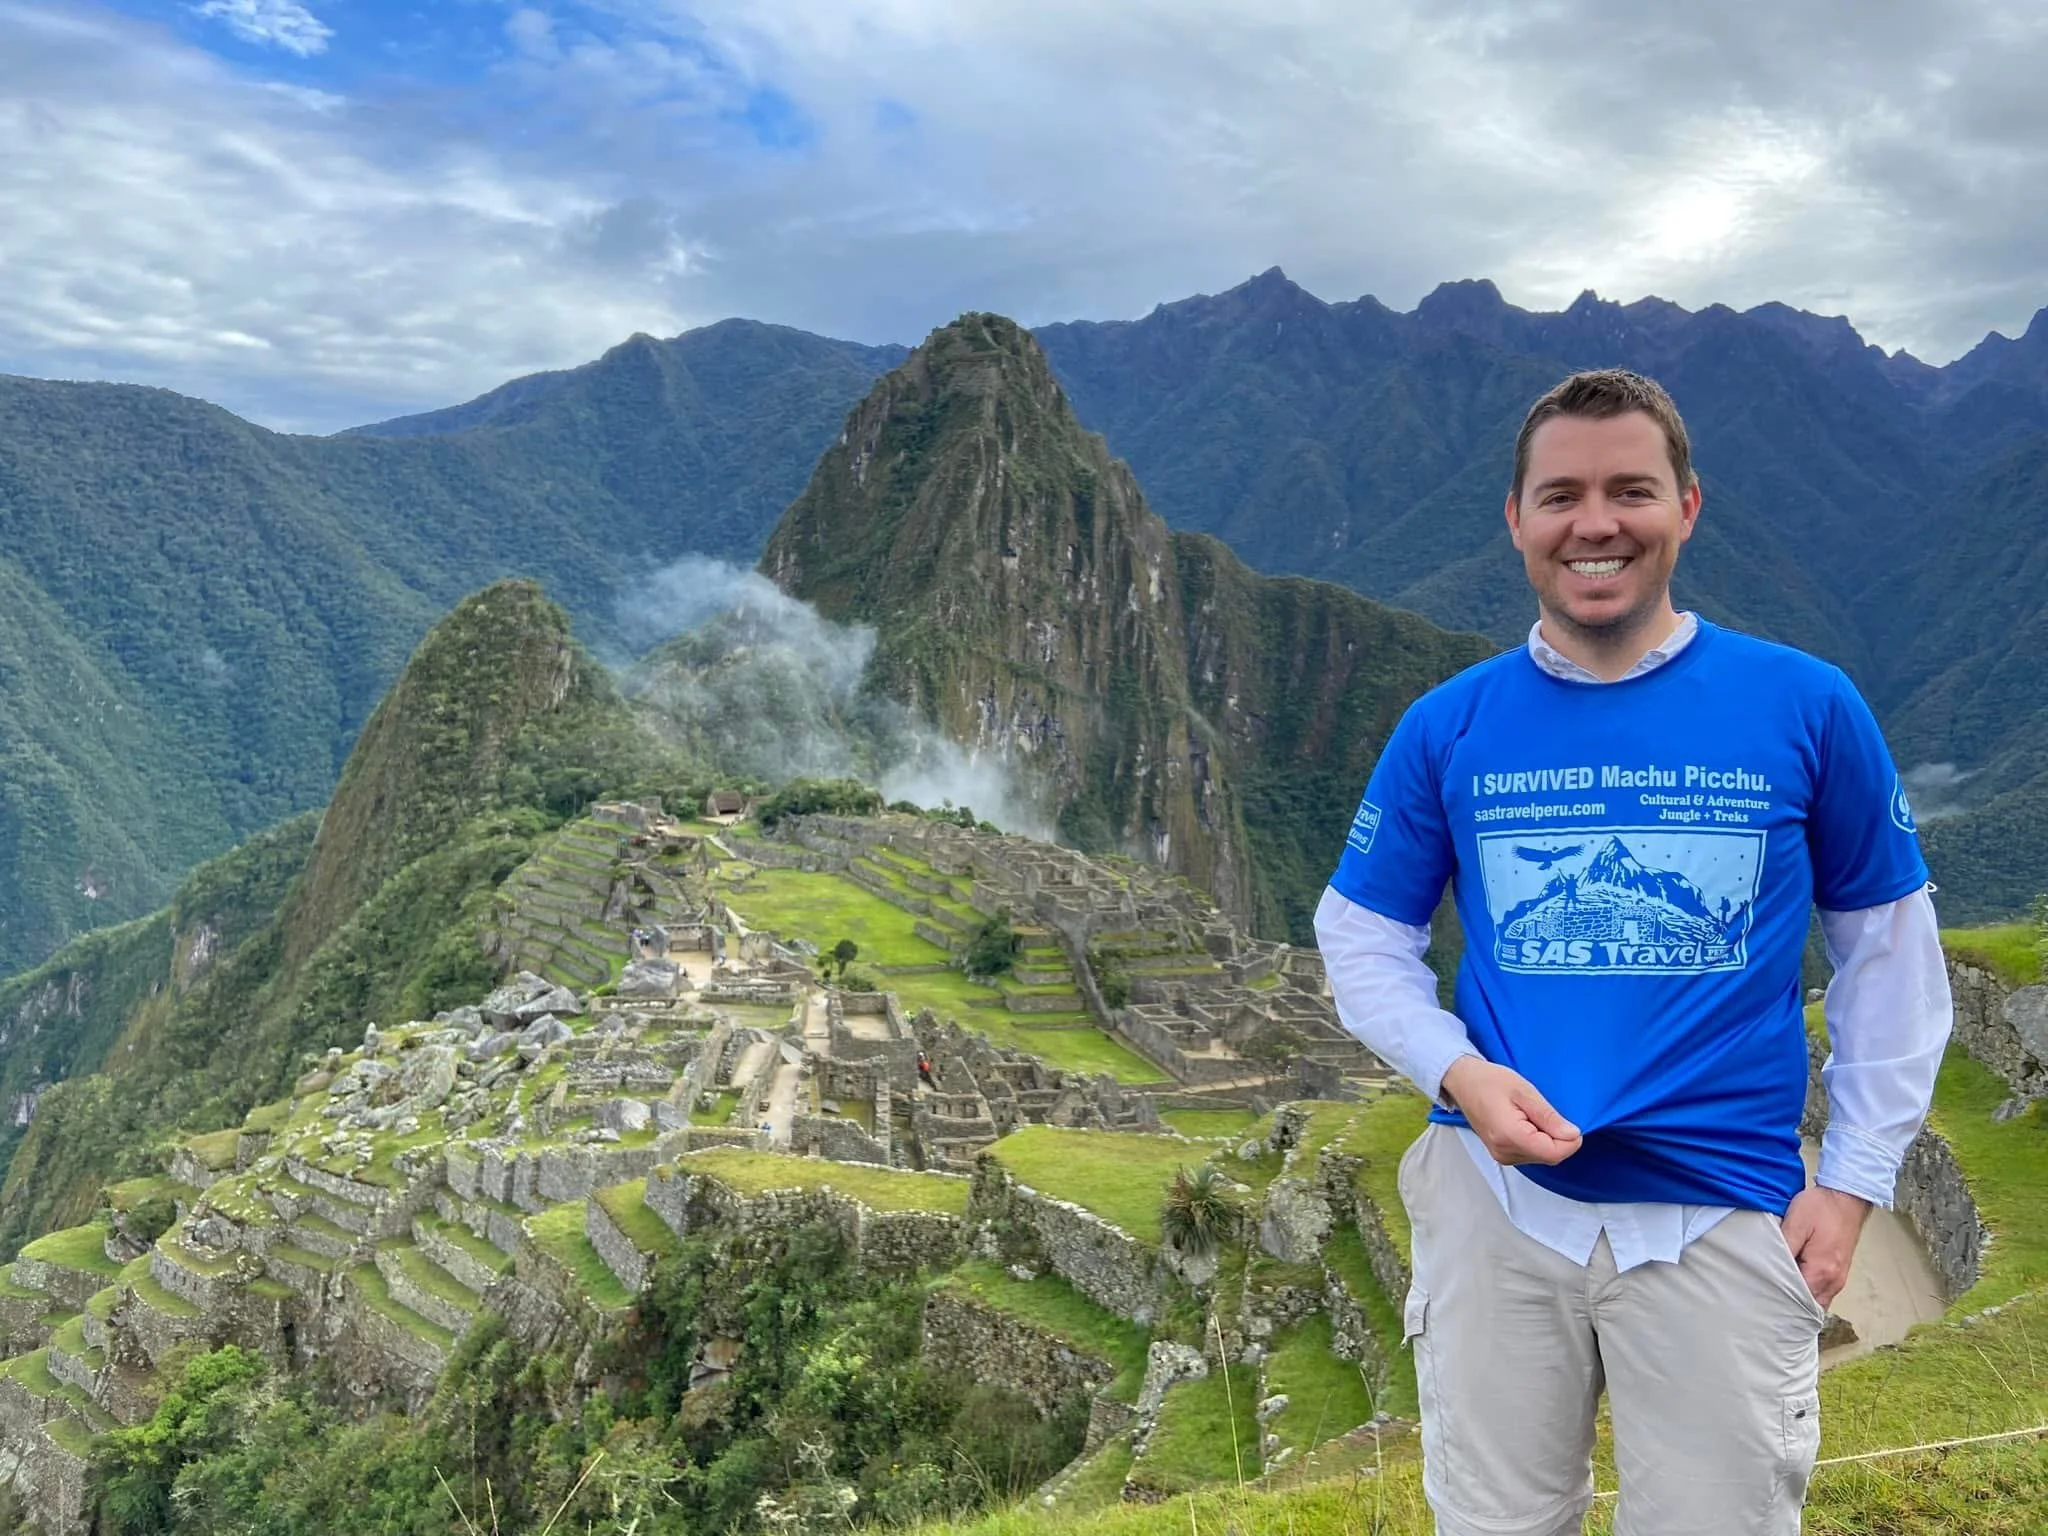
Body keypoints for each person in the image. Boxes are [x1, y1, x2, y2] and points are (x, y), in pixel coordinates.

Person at [1314, 369, 1952, 1536]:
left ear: (1686, 507)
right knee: (1494, 1523)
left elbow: (1886, 953)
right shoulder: (1449, 723)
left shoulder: (1803, 706)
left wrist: (1856, 1185)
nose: (1592, 523)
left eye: (1628, 491)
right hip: (1492, 1206)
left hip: (1718, 1211)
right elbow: (1358, 932)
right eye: (1559, 495)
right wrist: (1458, 1074)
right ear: (1514, 519)